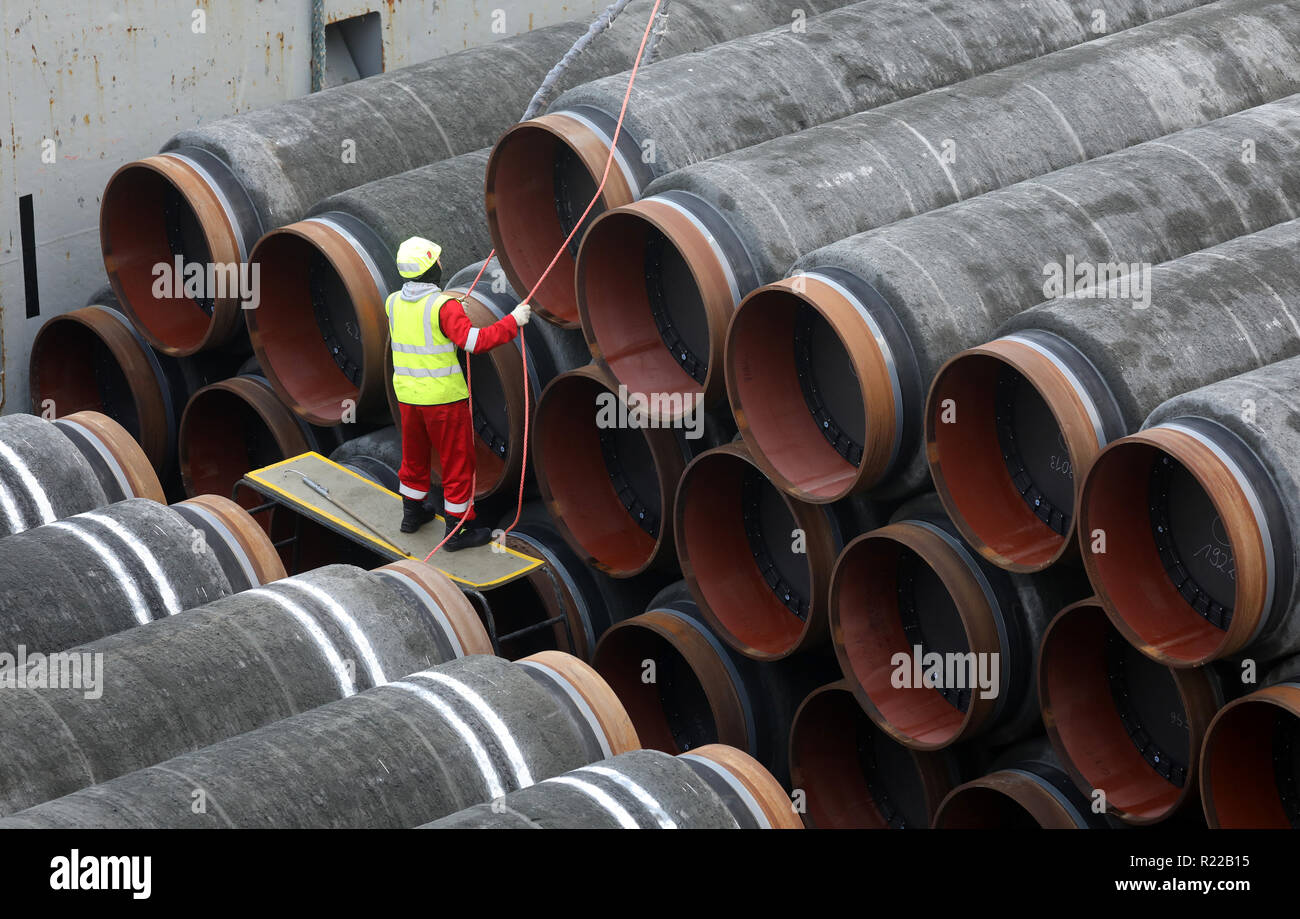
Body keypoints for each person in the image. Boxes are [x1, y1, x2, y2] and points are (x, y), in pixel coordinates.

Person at [387, 237, 531, 550]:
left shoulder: (393, 302)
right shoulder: (443, 307)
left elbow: (423, 330)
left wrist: (453, 312)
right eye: (436, 260)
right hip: (442, 401)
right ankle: (459, 531)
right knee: (457, 464)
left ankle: (411, 515)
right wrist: (513, 322)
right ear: (429, 269)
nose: (440, 264)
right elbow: (475, 342)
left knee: (414, 457)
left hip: (408, 399)